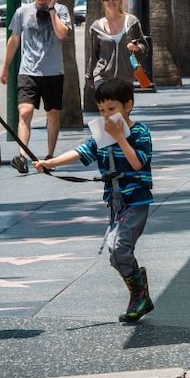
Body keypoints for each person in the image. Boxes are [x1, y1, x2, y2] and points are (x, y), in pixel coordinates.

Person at [33, 77, 155, 323]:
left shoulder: (140, 132)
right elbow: (81, 152)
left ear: (128, 105)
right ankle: (139, 292)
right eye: (102, 111)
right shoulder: (101, 134)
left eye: (112, 109)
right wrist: (50, 163)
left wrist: (120, 137)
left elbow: (137, 162)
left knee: (120, 247)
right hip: (115, 202)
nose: (107, 116)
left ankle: (139, 293)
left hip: (136, 202)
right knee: (114, 253)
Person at [0, 0, 72, 173]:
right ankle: (22, 156)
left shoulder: (61, 10)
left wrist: (51, 9)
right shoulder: (22, 12)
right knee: (25, 111)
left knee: (53, 113)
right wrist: (6, 66)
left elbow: (61, 34)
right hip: (28, 70)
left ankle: (50, 156)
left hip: (53, 71)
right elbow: (14, 40)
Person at [85, 0, 148, 108]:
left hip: (125, 78)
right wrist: (89, 77)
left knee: (124, 113)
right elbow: (93, 54)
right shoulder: (96, 27)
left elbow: (144, 47)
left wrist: (137, 48)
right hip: (103, 77)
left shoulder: (131, 22)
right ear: (103, 2)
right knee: (108, 115)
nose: (110, 1)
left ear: (120, 0)